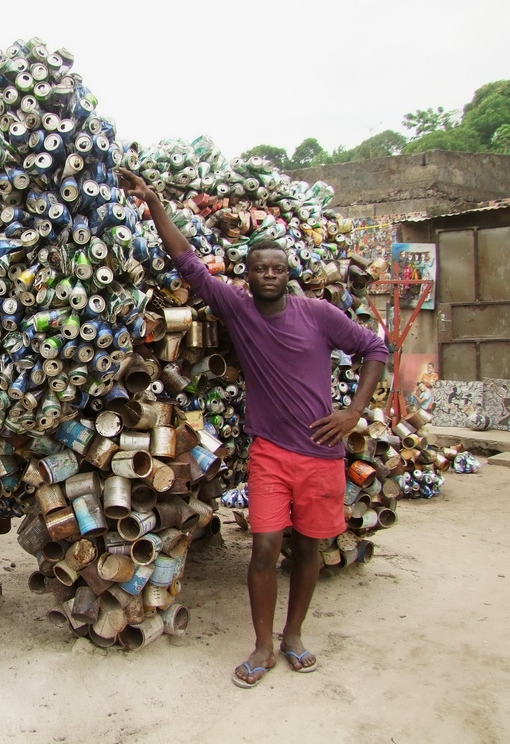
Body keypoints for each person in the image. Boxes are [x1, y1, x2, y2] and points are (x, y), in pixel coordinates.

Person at [117, 168, 389, 688]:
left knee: (307, 549)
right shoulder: (238, 309)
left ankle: (294, 636)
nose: (269, 274)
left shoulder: (319, 314)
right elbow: (190, 265)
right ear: (248, 274)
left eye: (277, 268)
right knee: (264, 548)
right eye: (260, 267)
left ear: (288, 274)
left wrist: (353, 412)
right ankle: (263, 644)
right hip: (270, 454)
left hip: (322, 455)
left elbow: (375, 348)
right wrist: (153, 203)